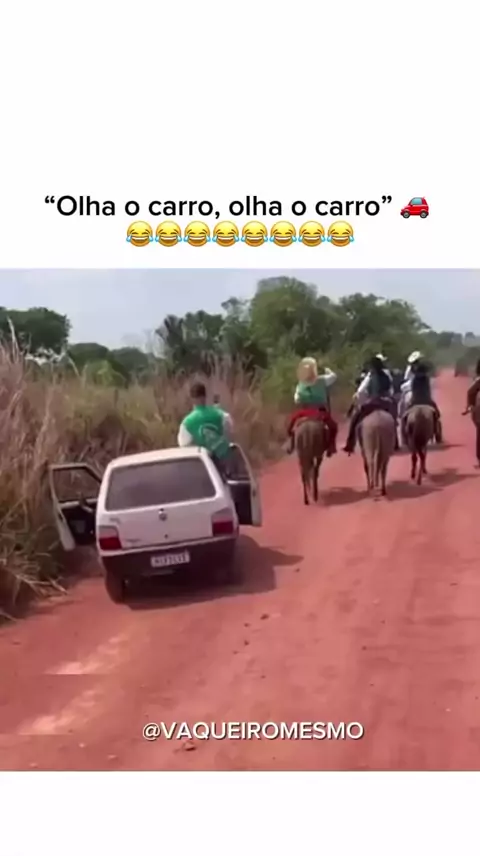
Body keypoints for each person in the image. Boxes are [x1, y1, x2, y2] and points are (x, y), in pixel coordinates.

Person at [178, 382, 234, 475]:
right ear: (205, 396)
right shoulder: (221, 415)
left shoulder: (187, 423)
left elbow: (184, 447)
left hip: (203, 470)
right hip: (224, 467)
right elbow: (229, 434)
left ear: (192, 399)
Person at [286, 357, 338, 456]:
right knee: (333, 426)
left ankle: (291, 444)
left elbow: (296, 399)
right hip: (320, 411)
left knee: (291, 424)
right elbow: (333, 377)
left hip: (304, 411)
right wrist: (328, 370)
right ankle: (331, 446)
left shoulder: (300, 384)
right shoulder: (322, 379)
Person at [343, 355, 395, 454]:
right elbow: (390, 389)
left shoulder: (370, 375)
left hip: (372, 402)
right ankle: (395, 442)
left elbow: (361, 390)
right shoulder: (386, 375)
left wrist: (358, 397)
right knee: (393, 418)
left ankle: (350, 444)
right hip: (385, 402)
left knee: (355, 419)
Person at [401, 359, 443, 443]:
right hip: (426, 400)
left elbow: (413, 390)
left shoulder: (414, 380)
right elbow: (428, 390)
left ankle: (404, 436)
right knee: (437, 415)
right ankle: (437, 432)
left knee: (404, 417)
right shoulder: (427, 379)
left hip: (415, 401)